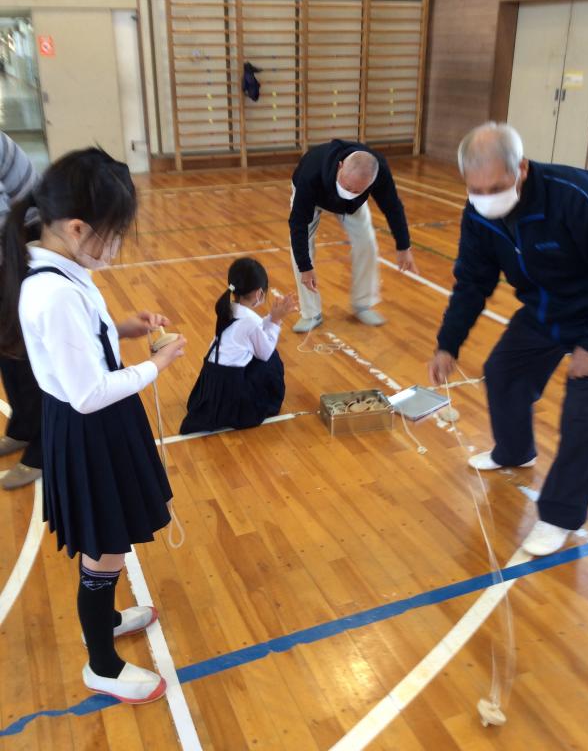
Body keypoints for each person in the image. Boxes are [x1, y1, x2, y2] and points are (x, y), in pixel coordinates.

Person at [0, 147, 187, 703]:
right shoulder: (52, 290)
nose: (117, 248)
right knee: (103, 549)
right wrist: (157, 365)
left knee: (109, 542)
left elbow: (82, 338)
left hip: (101, 425)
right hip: (89, 429)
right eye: (114, 235)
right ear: (78, 227)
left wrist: (123, 327)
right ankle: (101, 665)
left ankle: (104, 621)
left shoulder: (62, 266)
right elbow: (86, 394)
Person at [428, 122, 588, 556]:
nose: (486, 198)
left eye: (496, 188)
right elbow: (472, 281)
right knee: (503, 371)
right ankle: (516, 450)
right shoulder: (478, 213)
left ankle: (560, 516)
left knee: (585, 417)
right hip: (546, 309)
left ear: (521, 169)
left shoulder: (575, 197)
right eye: (476, 190)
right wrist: (448, 343)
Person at [289, 139, 418, 332]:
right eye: (347, 187)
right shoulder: (311, 174)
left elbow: (392, 207)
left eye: (357, 190)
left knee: (367, 241)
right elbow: (298, 224)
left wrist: (403, 246)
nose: (349, 192)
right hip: (313, 196)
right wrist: (305, 268)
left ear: (370, 183)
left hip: (351, 207)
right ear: (340, 166)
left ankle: (363, 304)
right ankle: (311, 313)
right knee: (300, 248)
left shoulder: (378, 171)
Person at [180, 257, 296, 434]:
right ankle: (266, 401)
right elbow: (264, 352)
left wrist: (272, 318)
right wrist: (276, 320)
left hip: (212, 383)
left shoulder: (229, 308)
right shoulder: (249, 321)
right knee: (272, 358)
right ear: (259, 293)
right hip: (230, 391)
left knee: (260, 349)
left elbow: (254, 330)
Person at [0, 130, 43, 489]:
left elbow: (30, 209)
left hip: (13, 259)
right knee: (6, 350)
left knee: (29, 354)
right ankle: (24, 426)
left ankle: (45, 445)